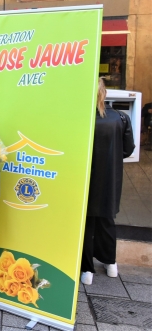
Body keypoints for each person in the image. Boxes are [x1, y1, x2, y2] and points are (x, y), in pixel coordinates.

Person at [81, 78, 135, 285]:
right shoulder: (120, 118)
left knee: (87, 224)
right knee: (107, 220)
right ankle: (111, 263)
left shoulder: (81, 119)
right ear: (105, 92)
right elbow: (127, 149)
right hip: (110, 179)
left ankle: (87, 270)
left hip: (86, 180)